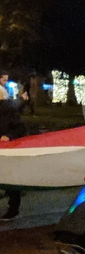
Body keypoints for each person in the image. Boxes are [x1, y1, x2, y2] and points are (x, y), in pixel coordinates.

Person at [0, 92, 28, 220]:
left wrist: (9, 136)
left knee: (11, 180)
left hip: (8, 151)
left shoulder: (9, 110)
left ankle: (13, 209)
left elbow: (20, 128)